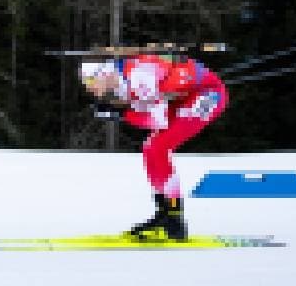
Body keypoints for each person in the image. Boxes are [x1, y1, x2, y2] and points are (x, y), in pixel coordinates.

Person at [78, 53, 228, 242]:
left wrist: (120, 113)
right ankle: (165, 213)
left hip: (208, 94)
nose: (88, 87)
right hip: (186, 95)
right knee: (150, 148)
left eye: (90, 80)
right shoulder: (120, 83)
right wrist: (120, 110)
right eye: (84, 82)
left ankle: (174, 219)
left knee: (159, 146)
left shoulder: (139, 76)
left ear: (104, 73)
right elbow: (145, 110)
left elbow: (157, 121)